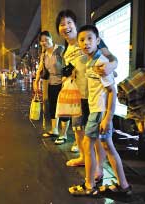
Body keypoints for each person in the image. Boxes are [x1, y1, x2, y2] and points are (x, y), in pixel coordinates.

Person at [69, 25, 131, 196]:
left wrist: (107, 118)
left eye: (90, 39)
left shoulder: (100, 62)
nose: (85, 43)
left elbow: (112, 91)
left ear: (98, 41)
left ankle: (89, 186)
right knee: (107, 146)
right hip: (98, 111)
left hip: (99, 112)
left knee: (88, 145)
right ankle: (124, 186)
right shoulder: (91, 61)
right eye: (82, 40)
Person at [56, 10, 117, 173]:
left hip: (94, 96)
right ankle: (84, 158)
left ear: (75, 25)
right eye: (62, 24)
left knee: (95, 135)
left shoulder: (87, 40)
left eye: (69, 23)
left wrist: (112, 65)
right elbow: (69, 70)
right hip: (77, 95)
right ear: (58, 30)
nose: (66, 27)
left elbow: (111, 58)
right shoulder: (65, 50)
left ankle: (99, 167)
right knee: (78, 129)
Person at [33, 31, 69, 139]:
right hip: (51, 83)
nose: (44, 42)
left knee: (63, 109)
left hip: (63, 83)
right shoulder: (43, 55)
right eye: (42, 41)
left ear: (51, 39)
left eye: (46, 39)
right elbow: (40, 69)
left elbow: (69, 64)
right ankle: (54, 130)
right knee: (53, 107)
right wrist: (36, 82)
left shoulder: (60, 49)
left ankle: (64, 134)